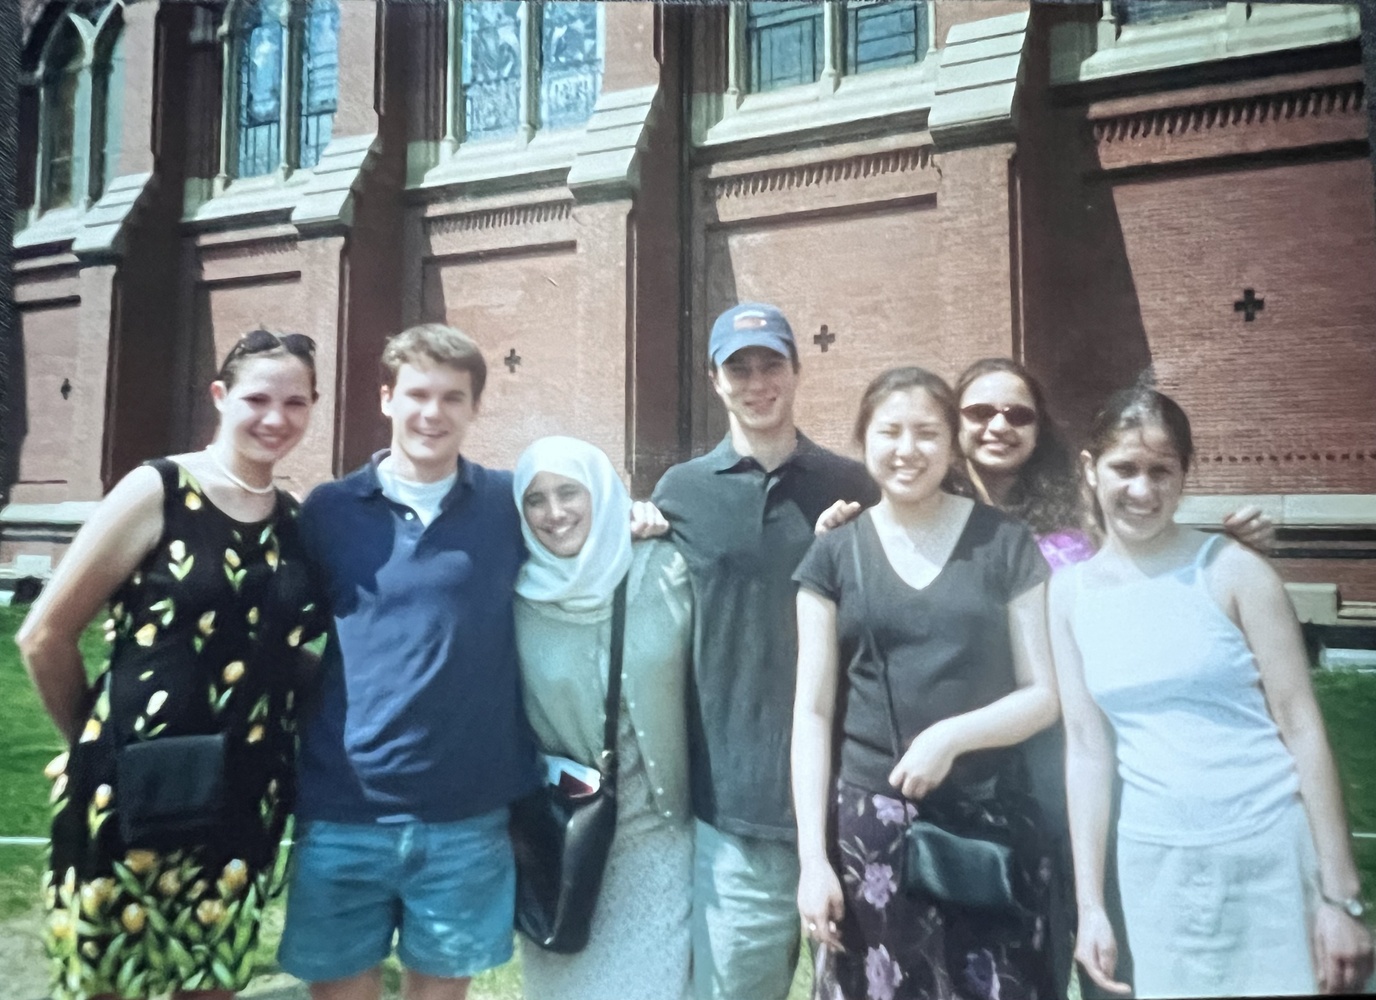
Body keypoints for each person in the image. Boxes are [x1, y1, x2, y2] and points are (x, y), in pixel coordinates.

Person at [17, 329, 324, 1000]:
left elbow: (282, 649)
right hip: (131, 789)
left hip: (240, 794)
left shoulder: (294, 523)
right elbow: (44, 636)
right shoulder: (158, 489)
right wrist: (90, 746)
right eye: (257, 399)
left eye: (295, 402)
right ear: (219, 396)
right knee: (111, 981)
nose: (276, 418)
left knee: (210, 982)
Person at [1050, 386, 1374, 998]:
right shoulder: (1068, 595)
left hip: (1268, 854)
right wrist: (1091, 906)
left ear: (1184, 475)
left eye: (1161, 471)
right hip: (1155, 867)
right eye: (1124, 468)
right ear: (1090, 469)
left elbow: (1302, 726)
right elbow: (1087, 751)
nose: (1142, 490)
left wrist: (1340, 898)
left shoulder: (1233, 571)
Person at [277, 324, 539, 1000]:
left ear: (475, 408)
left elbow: (585, 537)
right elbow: (281, 636)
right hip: (345, 808)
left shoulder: (508, 505)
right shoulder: (330, 510)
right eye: (417, 394)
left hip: (466, 814)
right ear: (387, 398)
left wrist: (639, 517)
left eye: (453, 397)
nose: (432, 413)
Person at [793, 366, 1061, 1000]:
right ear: (863, 440)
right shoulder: (833, 554)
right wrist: (812, 862)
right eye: (890, 432)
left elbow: (1044, 693)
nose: (907, 450)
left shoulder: (1006, 543)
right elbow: (812, 712)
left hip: (988, 829)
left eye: (926, 433)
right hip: (870, 833)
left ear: (952, 443)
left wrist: (951, 738)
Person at [651, 302, 878, 1000]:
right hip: (737, 809)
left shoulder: (854, 487)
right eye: (739, 369)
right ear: (714, 381)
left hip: (851, 799)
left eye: (771, 364)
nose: (757, 383)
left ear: (797, 371)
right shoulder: (682, 493)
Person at [512, 436, 693, 1000]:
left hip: (661, 835)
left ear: (602, 492)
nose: (554, 512)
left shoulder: (665, 566)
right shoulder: (511, 596)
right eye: (535, 499)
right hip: (566, 841)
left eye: (570, 492)